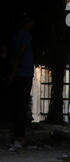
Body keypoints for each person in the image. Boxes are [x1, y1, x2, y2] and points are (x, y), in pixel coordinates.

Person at [8, 13, 35, 151]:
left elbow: (14, 53)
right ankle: (20, 136)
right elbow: (21, 52)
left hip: (19, 73)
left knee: (17, 104)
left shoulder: (15, 36)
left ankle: (16, 135)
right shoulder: (25, 36)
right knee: (22, 105)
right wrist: (16, 69)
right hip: (24, 73)